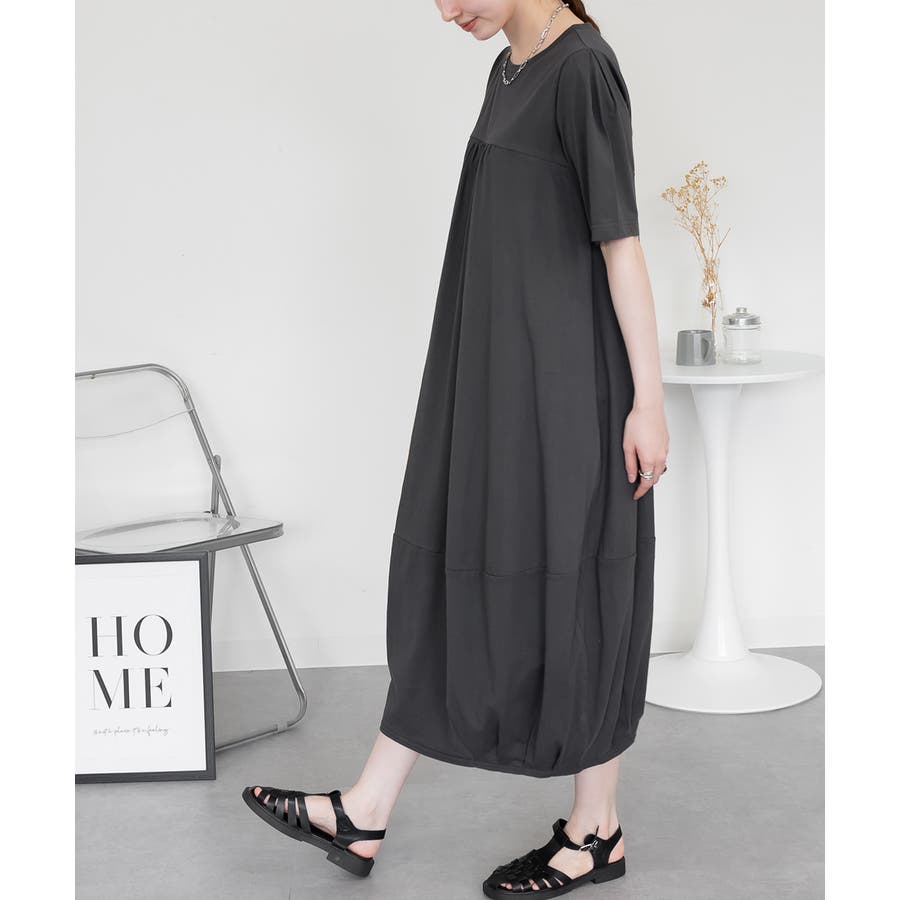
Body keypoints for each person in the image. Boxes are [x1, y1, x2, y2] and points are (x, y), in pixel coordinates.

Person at [243, 2, 669, 896]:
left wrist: (648, 401)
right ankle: (366, 807)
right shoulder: (508, 70)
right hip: (497, 378)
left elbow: (620, 242)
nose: (446, 8)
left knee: (582, 583)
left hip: (565, 385)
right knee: (456, 568)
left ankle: (597, 829)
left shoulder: (582, 69)